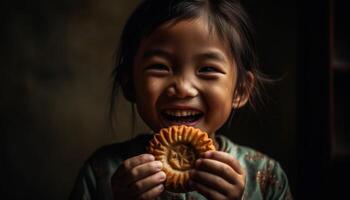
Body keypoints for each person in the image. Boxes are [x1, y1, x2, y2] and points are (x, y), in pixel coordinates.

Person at [70, 0, 293, 199]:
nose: (183, 89)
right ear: (129, 84)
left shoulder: (266, 178)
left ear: (240, 90)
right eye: (160, 67)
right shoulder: (101, 173)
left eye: (207, 69)